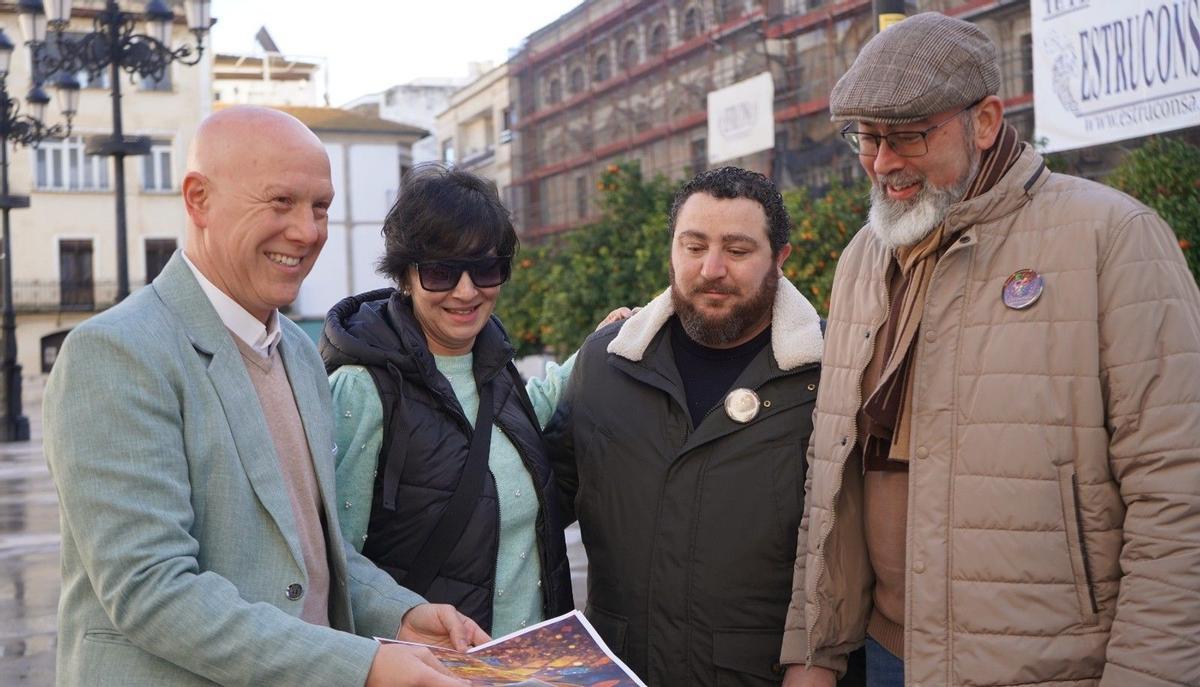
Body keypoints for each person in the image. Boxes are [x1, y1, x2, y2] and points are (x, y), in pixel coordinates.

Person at [781, 12, 1200, 687]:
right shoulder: (863, 256)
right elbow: (829, 472)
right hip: (887, 654)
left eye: (910, 134)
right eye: (867, 137)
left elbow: (1179, 490)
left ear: (985, 121)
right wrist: (812, 650)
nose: (883, 162)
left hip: (1052, 666)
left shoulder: (1111, 236)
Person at [43, 106, 488, 687]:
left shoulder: (299, 353)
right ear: (198, 199)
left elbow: (307, 553)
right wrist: (364, 664)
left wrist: (401, 613)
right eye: (280, 202)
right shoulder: (117, 352)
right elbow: (151, 589)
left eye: (320, 206)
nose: (307, 231)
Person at [544, 167, 863, 686]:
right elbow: (533, 508)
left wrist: (819, 663)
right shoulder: (605, 364)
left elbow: (858, 546)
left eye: (737, 251)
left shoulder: (833, 375)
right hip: (623, 672)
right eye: (694, 247)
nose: (712, 268)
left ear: (779, 259)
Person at [321, 165, 593, 638]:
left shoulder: (495, 367)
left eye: (485, 269)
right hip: (432, 669)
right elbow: (335, 561)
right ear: (405, 275)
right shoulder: (363, 389)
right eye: (441, 272)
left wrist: (616, 334)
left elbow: (532, 408)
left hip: (527, 664)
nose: (467, 291)